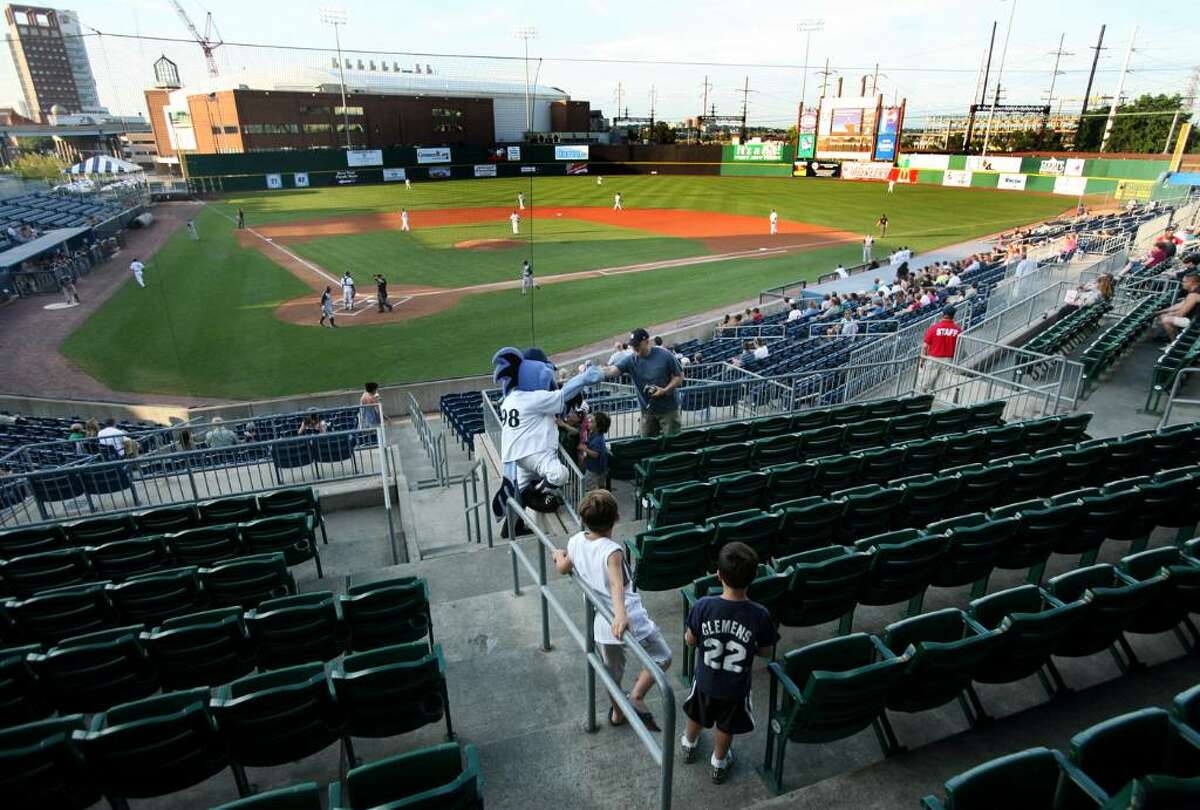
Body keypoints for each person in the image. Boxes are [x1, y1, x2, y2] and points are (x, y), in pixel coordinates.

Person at [552, 490, 672, 730]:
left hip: (602, 624)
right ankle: (636, 696)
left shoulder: (575, 541)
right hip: (629, 618)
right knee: (662, 656)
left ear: (584, 519)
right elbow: (617, 584)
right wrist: (620, 614)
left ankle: (618, 714)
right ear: (616, 518)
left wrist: (557, 555)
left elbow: (563, 568)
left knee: (612, 674)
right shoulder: (612, 550)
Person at [680, 541, 779, 783]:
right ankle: (719, 762)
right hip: (735, 688)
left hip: (705, 680)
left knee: (697, 713)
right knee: (726, 726)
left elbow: (690, 640)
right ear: (754, 576)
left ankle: (689, 744)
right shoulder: (760, 614)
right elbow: (766, 651)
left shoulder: (703, 605)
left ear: (718, 575)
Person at [601, 328, 684, 437]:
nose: (634, 348)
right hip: (647, 412)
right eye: (632, 345)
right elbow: (612, 371)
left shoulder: (665, 355)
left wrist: (664, 390)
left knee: (672, 443)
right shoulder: (631, 360)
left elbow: (679, 377)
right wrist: (592, 371)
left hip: (668, 410)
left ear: (646, 342)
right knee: (645, 444)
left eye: (637, 345)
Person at [921, 305, 961, 394]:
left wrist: (922, 360)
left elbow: (925, 346)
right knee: (944, 383)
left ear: (943, 315)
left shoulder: (933, 328)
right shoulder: (958, 330)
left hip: (933, 358)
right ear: (953, 316)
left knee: (927, 382)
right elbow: (959, 347)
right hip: (948, 360)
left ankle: (924, 397)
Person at [1159, 273, 1200, 341]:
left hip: (1196, 323)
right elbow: (1180, 305)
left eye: (1184, 282)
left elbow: (1181, 314)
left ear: (1191, 282)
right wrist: (1159, 312)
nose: (1182, 283)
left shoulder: (1194, 295)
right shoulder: (1194, 291)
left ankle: (1173, 343)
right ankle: (1178, 339)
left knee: (1166, 320)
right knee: (1164, 316)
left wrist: (1169, 314)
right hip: (1195, 319)